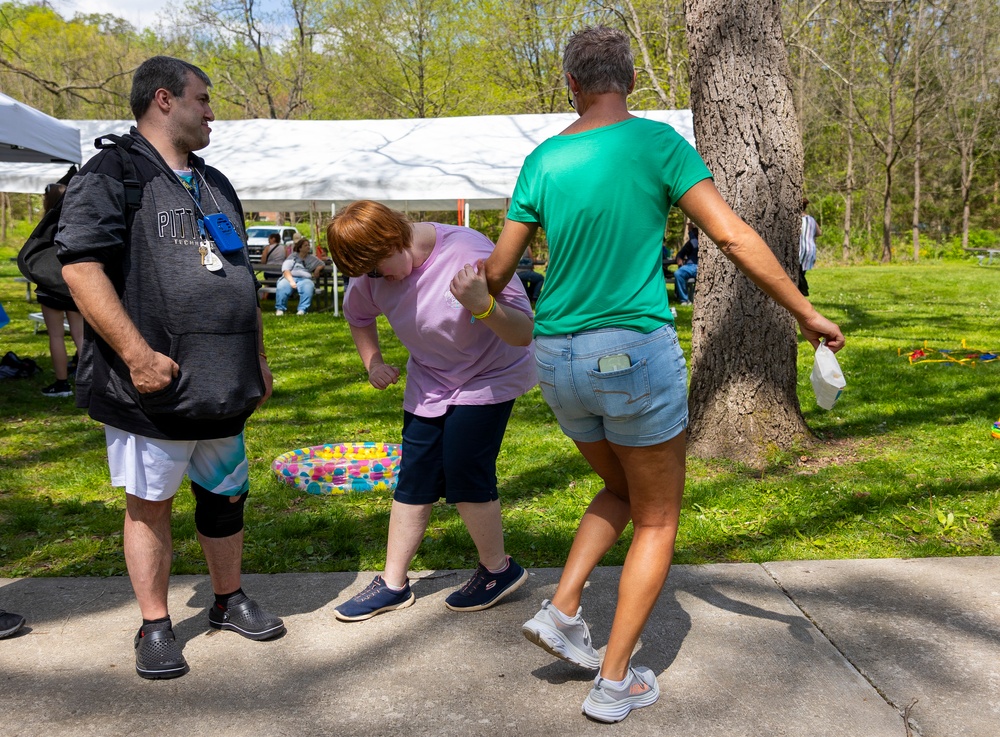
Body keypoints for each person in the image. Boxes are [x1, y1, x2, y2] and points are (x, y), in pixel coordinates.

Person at [484, 27, 844, 723]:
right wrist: (804, 312)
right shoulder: (658, 146)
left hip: (556, 360)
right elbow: (735, 237)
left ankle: (563, 609)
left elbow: (498, 274)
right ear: (628, 82)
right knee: (657, 515)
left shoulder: (543, 160)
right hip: (630, 357)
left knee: (619, 488)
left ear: (572, 86)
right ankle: (615, 680)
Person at [58, 56, 284, 681]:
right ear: (164, 99)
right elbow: (80, 268)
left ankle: (227, 599)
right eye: (204, 99)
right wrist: (136, 355)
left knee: (226, 496)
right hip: (152, 385)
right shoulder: (113, 172)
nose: (212, 112)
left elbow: (239, 274)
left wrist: (258, 357)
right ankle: (155, 625)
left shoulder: (215, 181)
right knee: (150, 504)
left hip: (225, 382)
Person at [325, 200, 536, 621]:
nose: (379, 279)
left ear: (396, 237)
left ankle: (499, 570)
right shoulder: (372, 272)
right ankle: (392, 584)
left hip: (489, 375)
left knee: (463, 469)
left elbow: (524, 332)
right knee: (416, 474)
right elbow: (358, 316)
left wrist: (483, 305)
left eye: (380, 267)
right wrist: (373, 361)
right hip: (431, 379)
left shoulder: (467, 251)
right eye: (368, 274)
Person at [35, 183, 84, 398]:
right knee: (80, 334)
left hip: (50, 285)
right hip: (75, 283)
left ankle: (62, 384)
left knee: (56, 335)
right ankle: (88, 384)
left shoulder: (44, 227)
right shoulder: (78, 224)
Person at [275, 237, 324, 316]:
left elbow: (322, 264)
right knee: (282, 286)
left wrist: (317, 269)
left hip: (305, 279)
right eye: (305, 245)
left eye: (308, 245)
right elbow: (285, 270)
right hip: (290, 277)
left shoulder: (312, 258)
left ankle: (302, 310)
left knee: (308, 287)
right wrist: (291, 281)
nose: (308, 247)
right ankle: (280, 309)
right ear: (300, 248)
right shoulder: (292, 257)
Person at [799, 197, 820, 296]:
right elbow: (819, 232)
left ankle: (803, 290)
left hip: (801, 250)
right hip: (810, 249)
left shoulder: (798, 220)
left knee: (798, 274)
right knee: (801, 273)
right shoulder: (811, 219)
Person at [673, 223, 699, 306]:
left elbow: (695, 243)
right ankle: (684, 300)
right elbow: (681, 253)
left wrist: (690, 231)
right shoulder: (689, 243)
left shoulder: (696, 242)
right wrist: (679, 258)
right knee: (678, 273)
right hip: (689, 267)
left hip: (698, 266)